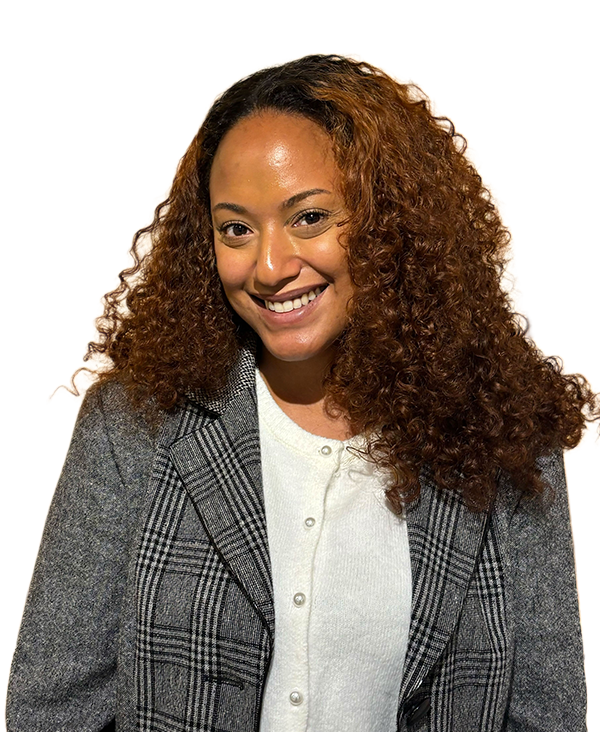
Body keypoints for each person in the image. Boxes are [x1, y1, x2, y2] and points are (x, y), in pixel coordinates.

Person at [6, 53, 597, 732]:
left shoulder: (502, 437)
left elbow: (544, 716)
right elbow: (52, 713)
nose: (268, 266)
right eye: (236, 229)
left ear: (390, 221)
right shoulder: (135, 427)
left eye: (309, 218)